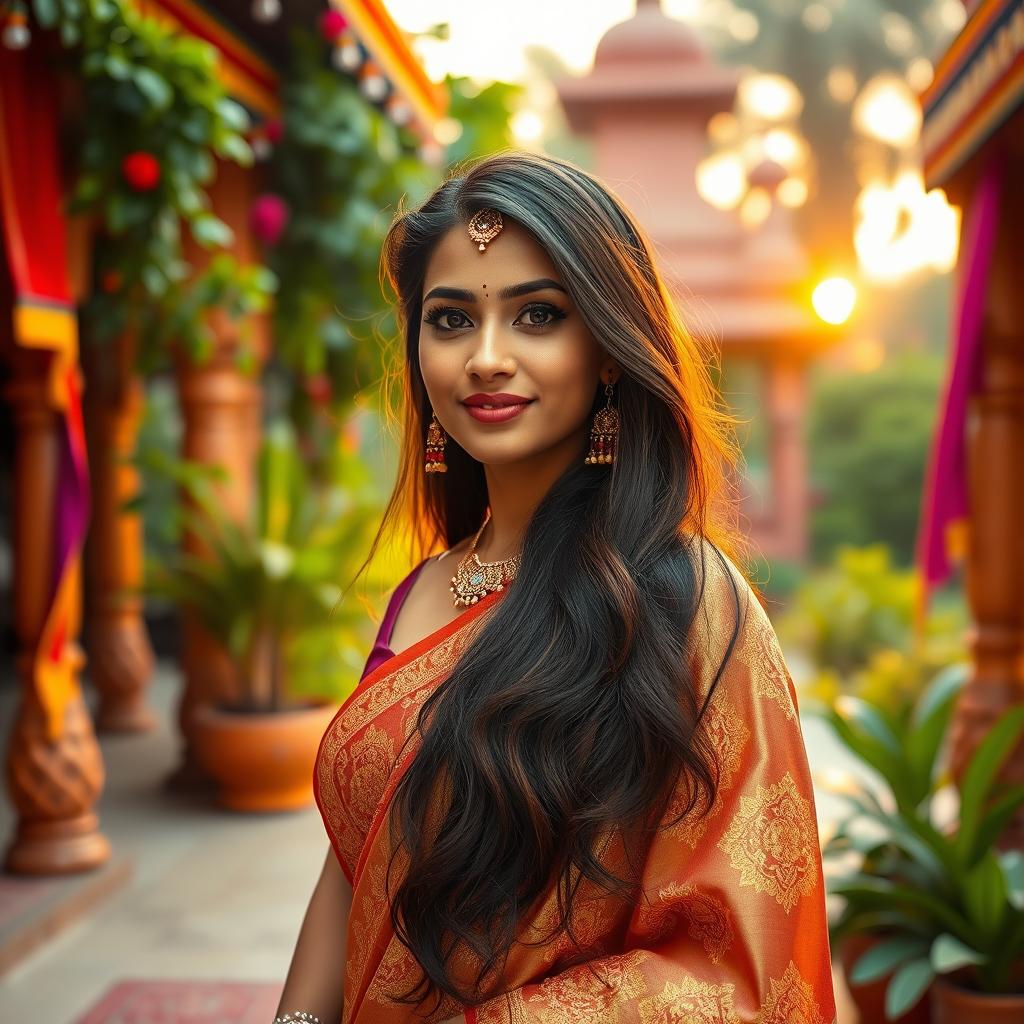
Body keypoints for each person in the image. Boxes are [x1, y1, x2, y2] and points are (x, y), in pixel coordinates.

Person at [276, 150, 837, 1024]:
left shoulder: (687, 602)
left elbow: (736, 970)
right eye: (451, 320)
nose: (486, 358)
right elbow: (355, 866)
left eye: (538, 316)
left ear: (609, 349)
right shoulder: (421, 591)